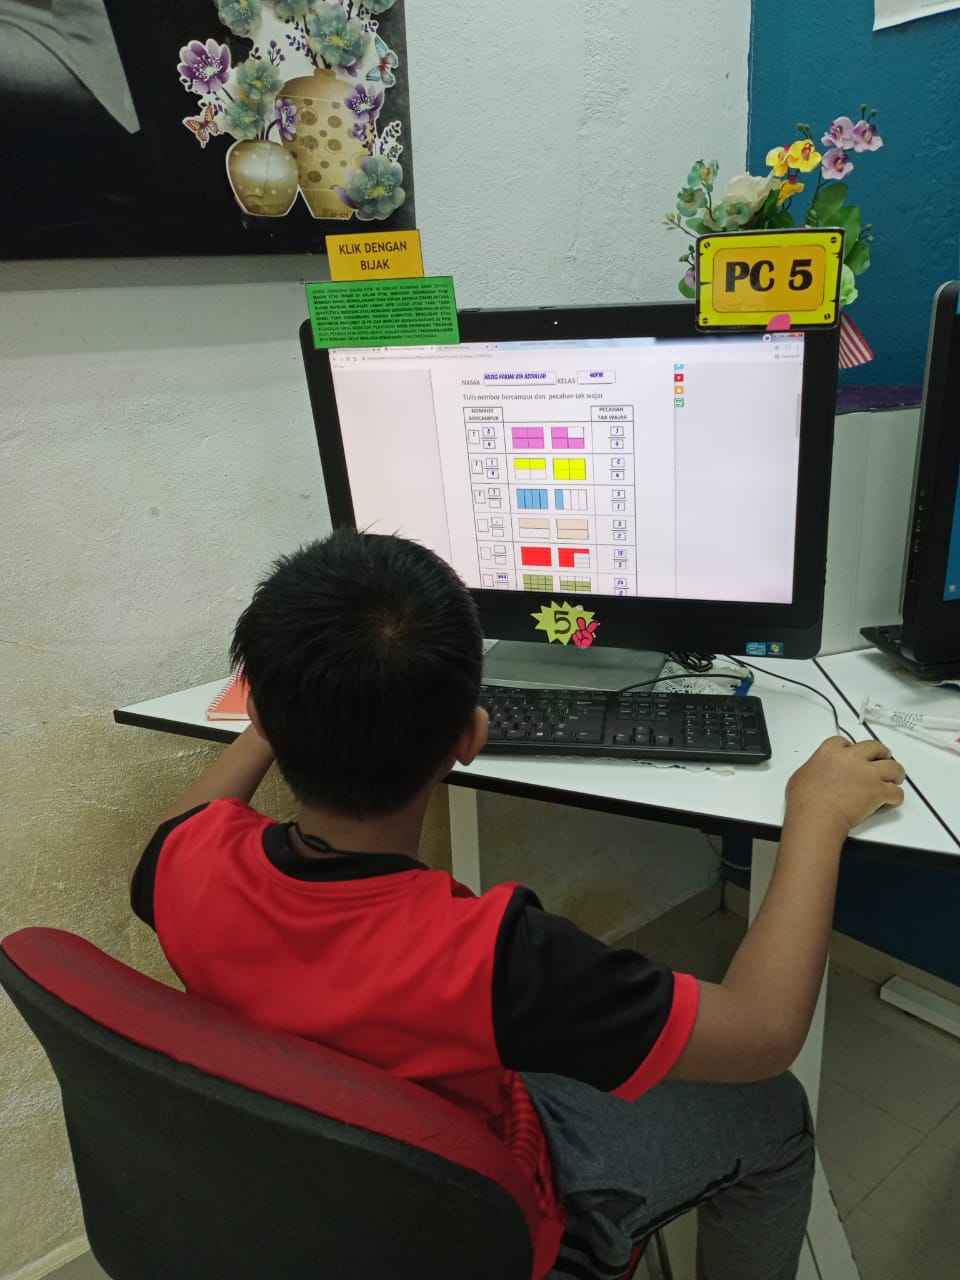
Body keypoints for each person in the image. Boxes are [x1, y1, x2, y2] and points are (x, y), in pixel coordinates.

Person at [130, 529, 905, 1280]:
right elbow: (765, 1032)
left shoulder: (182, 868)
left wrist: (292, 702)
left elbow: (182, 826)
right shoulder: (495, 959)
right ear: (470, 737)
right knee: (773, 1109)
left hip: (314, 1191)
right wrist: (816, 819)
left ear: (260, 715)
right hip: (487, 1220)